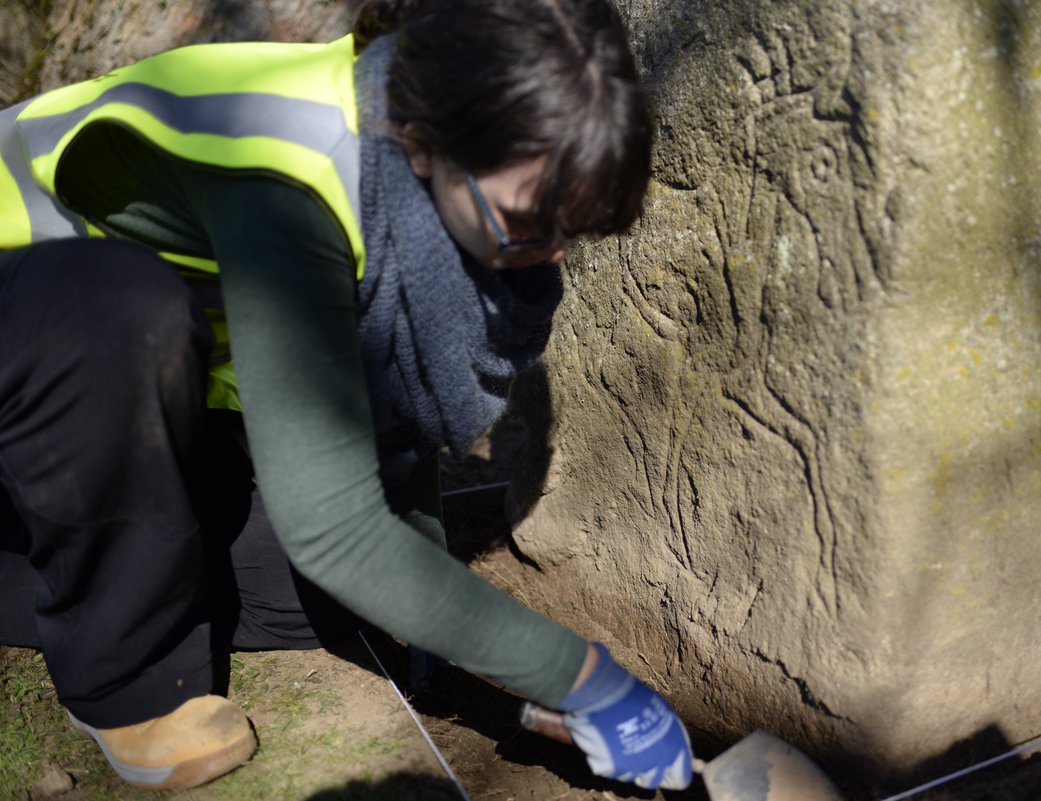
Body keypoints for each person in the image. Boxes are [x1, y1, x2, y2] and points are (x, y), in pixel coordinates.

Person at [0, 0, 693, 791]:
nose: (550, 252)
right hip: (42, 347)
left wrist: (435, 587)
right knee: (122, 309)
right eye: (527, 221)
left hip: (74, 430)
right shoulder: (281, 180)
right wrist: (585, 680)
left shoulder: (399, 142)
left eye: (571, 226)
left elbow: (383, 404)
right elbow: (333, 527)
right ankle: (128, 684)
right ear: (427, 144)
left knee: (339, 605)